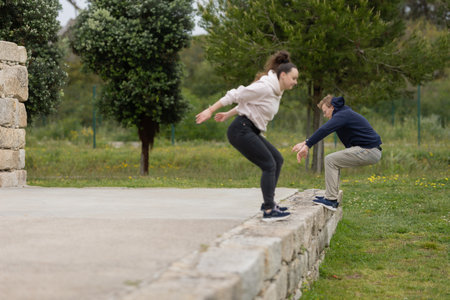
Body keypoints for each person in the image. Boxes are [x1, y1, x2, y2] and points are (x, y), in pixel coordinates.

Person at [196, 51, 298, 222]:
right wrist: (210, 110)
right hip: (241, 130)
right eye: (293, 78)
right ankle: (268, 210)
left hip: (248, 129)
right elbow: (236, 95)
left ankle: (270, 203)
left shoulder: (276, 90)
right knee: (269, 164)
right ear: (283, 75)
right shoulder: (265, 86)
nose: (295, 82)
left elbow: (250, 103)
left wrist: (228, 114)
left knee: (277, 159)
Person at [292, 95, 382, 211]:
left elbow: (324, 129)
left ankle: (331, 200)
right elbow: (325, 130)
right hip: (368, 150)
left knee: (331, 160)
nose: (325, 115)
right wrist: (306, 142)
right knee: (334, 161)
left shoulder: (342, 115)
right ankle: (331, 196)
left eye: (325, 112)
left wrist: (308, 144)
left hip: (368, 150)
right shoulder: (344, 113)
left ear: (332, 107)